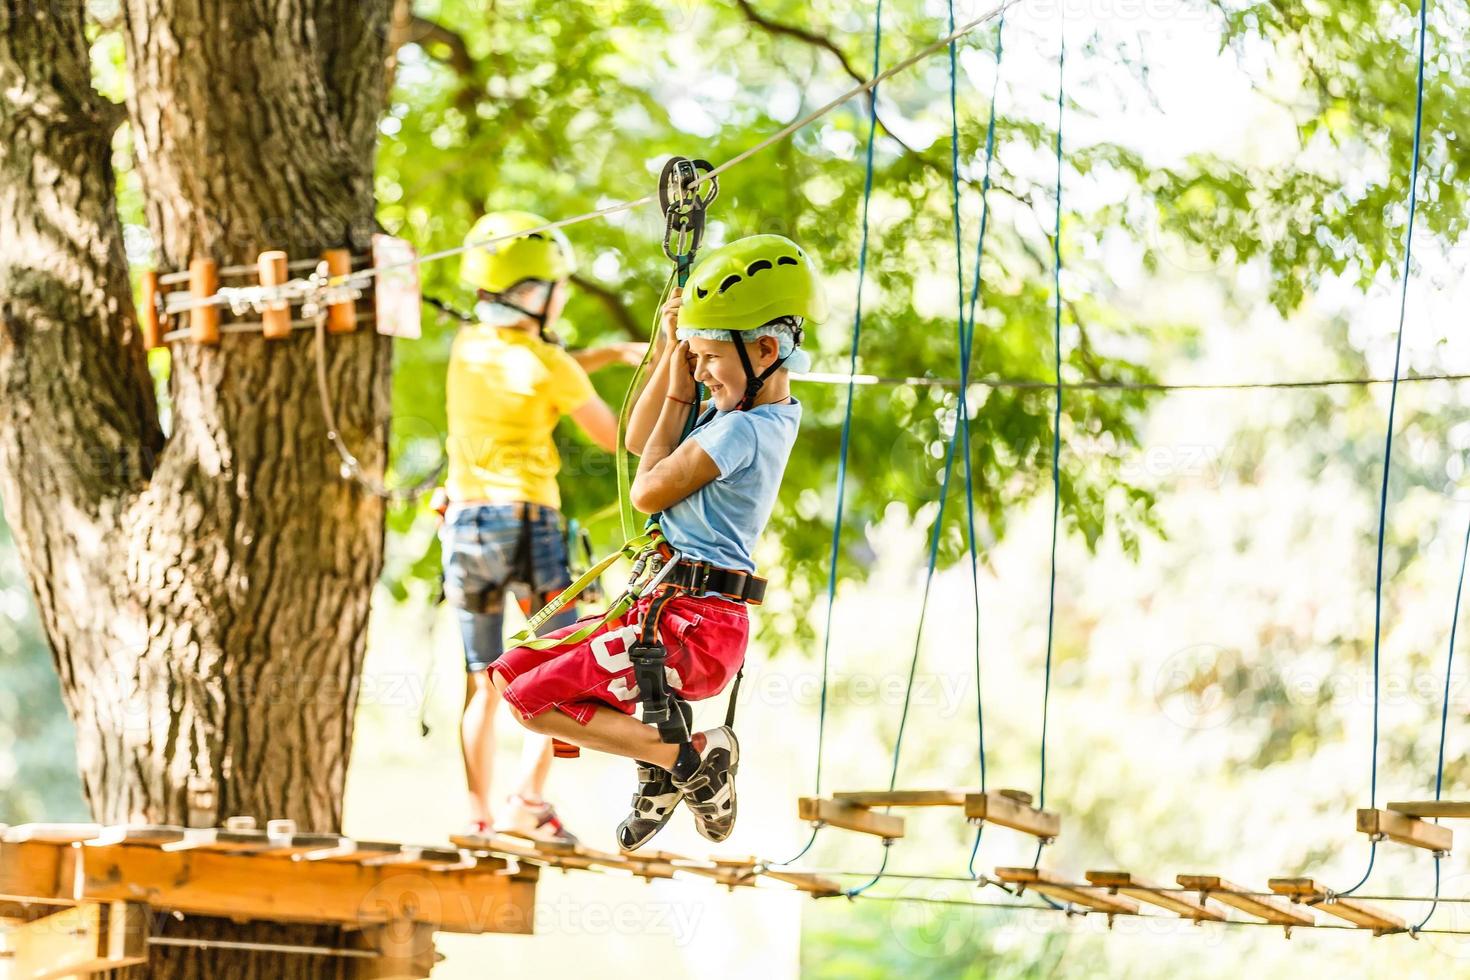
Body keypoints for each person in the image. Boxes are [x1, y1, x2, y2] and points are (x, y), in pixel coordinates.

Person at [488, 234, 825, 849]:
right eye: (696, 359)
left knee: (528, 700)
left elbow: (647, 490)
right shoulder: (730, 412)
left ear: (767, 351)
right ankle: (667, 758)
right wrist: (676, 351)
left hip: (693, 627)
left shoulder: (744, 432)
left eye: (709, 358)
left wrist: (684, 362)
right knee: (510, 672)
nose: (699, 374)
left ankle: (681, 757)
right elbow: (642, 439)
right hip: (664, 610)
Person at [443, 210, 640, 843]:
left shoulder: (469, 349)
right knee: (558, 664)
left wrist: (602, 354)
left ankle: (477, 817)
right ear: (535, 294)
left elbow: (531, 366)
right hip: (530, 523)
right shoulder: (551, 366)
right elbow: (616, 438)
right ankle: (527, 802)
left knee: (483, 682)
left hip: (468, 527)